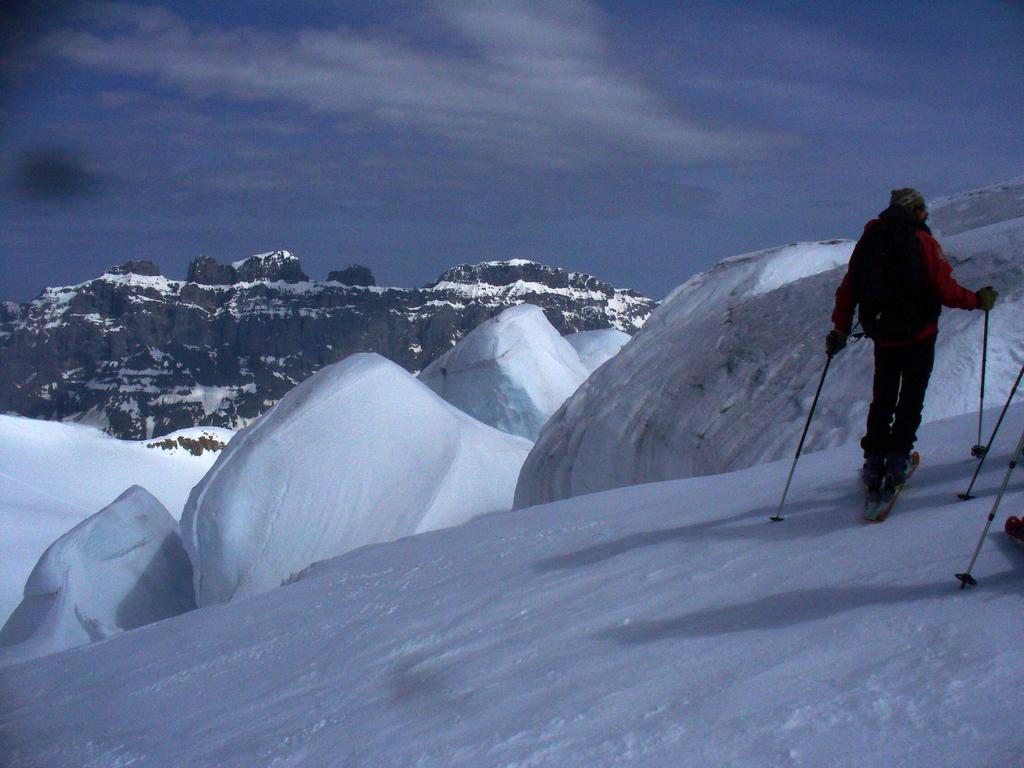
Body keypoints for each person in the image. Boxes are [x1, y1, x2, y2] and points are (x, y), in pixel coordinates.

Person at [825, 187, 998, 492]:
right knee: (911, 399)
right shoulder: (923, 242)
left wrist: (840, 329)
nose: (926, 213)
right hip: (919, 334)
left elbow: (849, 288)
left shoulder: (871, 240)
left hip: (883, 335)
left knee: (883, 399)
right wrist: (977, 300)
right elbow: (945, 289)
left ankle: (874, 459)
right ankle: (897, 459)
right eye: (922, 208)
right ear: (915, 210)